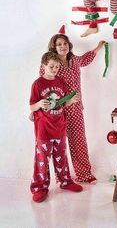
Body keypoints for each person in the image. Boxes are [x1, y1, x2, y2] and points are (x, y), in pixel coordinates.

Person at [41, 34, 105, 184]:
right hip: (57, 110)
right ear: (54, 47)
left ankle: (84, 174)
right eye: (59, 44)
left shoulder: (74, 60)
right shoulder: (51, 64)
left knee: (79, 141)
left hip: (75, 108)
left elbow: (85, 59)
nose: (63, 46)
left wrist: (98, 47)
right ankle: (61, 177)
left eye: (65, 43)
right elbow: (43, 83)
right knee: (58, 144)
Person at [29, 52, 83, 203]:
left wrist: (71, 101)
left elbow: (62, 103)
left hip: (59, 127)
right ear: (43, 66)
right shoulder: (38, 84)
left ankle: (65, 181)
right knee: (42, 159)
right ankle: (39, 187)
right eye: (51, 66)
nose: (54, 69)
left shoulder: (60, 82)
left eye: (57, 66)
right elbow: (32, 106)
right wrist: (39, 104)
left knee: (61, 158)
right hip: (43, 129)